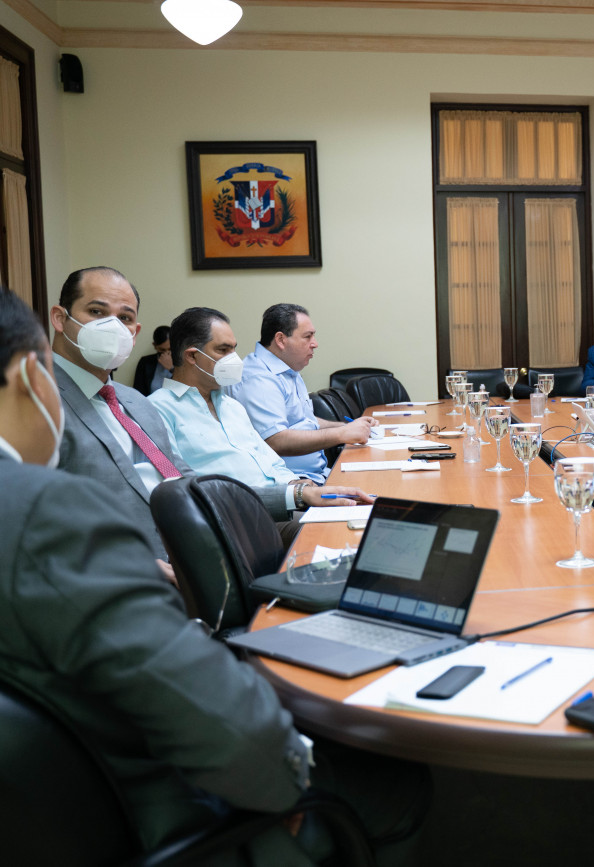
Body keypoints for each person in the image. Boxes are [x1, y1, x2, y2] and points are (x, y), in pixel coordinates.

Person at [0, 288, 430, 865]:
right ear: (34, 377)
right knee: (397, 774)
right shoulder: (44, 512)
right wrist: (291, 775)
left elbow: (183, 485)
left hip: (51, 808)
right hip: (162, 810)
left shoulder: (139, 408)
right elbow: (214, 718)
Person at [50, 268, 346, 559]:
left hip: (212, 532)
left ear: (135, 331)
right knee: (338, 536)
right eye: (97, 312)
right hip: (160, 553)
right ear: (60, 318)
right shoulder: (41, 399)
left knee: (353, 526)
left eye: (125, 318)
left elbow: (187, 487)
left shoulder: (133, 402)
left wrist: (297, 492)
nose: (113, 327)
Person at [149, 306, 372, 514]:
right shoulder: (156, 411)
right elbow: (185, 493)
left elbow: (271, 462)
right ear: (191, 356)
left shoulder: (231, 406)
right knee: (353, 523)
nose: (234, 359)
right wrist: (297, 494)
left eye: (233, 349)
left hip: (289, 498)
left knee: (370, 507)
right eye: (223, 350)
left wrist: (297, 485)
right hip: (243, 517)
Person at [225, 303, 374, 483]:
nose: (315, 344)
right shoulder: (258, 378)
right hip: (293, 483)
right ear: (281, 340)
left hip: (317, 474)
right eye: (307, 336)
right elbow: (276, 440)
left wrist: (345, 426)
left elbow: (303, 420)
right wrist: (341, 434)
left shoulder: (288, 369)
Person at [131, 324, 173, 395]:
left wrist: (172, 369)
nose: (166, 353)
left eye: (170, 349)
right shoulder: (145, 362)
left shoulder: (183, 363)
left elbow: (185, 389)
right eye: (162, 350)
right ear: (155, 346)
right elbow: (138, 391)